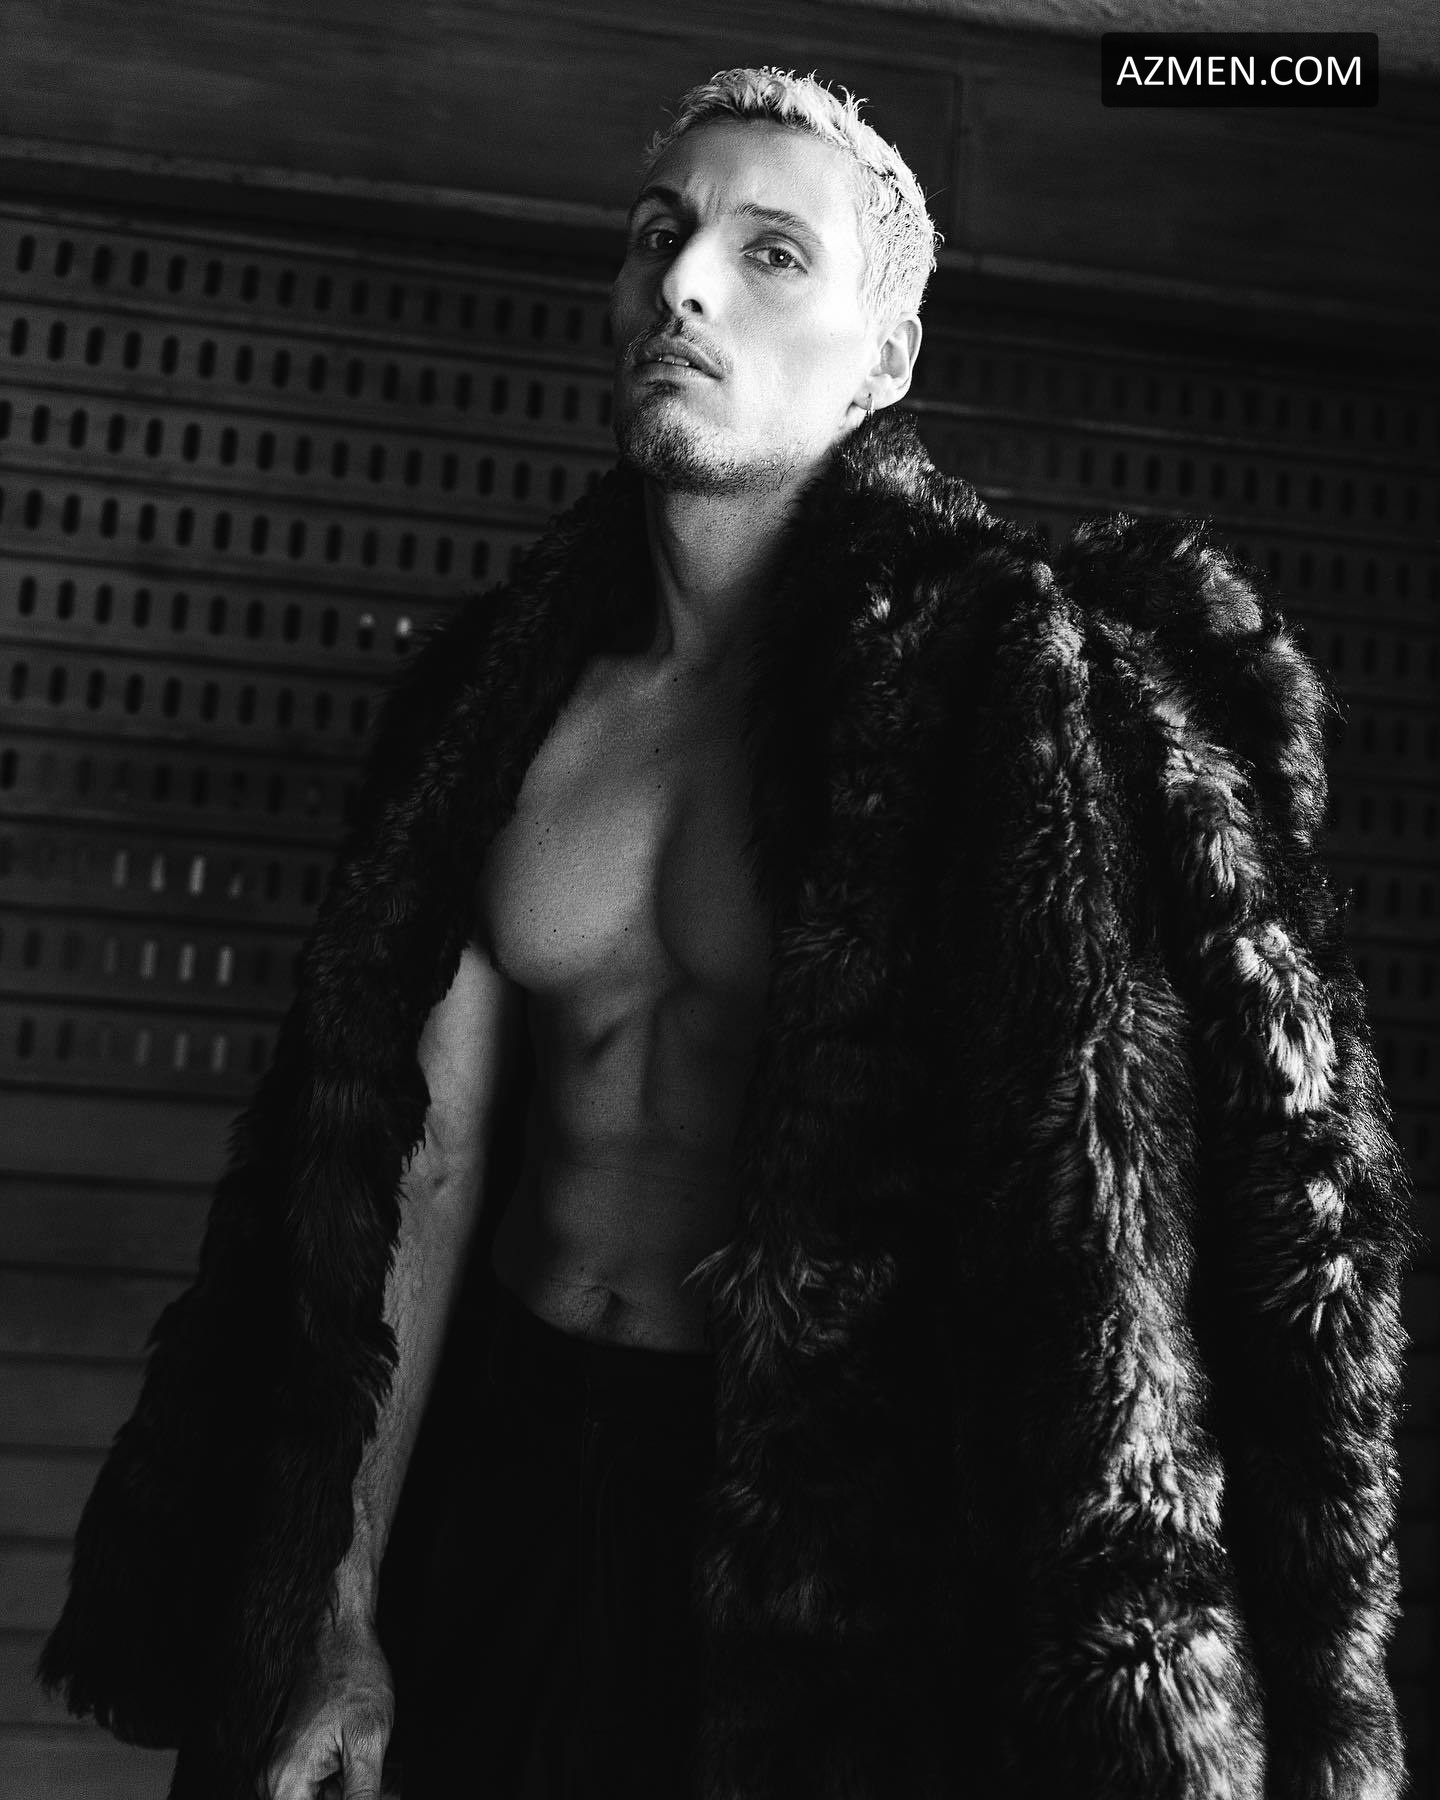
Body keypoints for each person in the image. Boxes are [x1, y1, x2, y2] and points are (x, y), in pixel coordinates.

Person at [39, 67, 1414, 1800]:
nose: (685, 282)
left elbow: (1158, 1231)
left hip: (824, 1555)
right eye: (658, 236)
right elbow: (417, 1161)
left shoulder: (1010, 712)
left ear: (885, 358)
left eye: (772, 253)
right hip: (494, 1467)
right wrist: (341, 1599)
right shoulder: (499, 705)